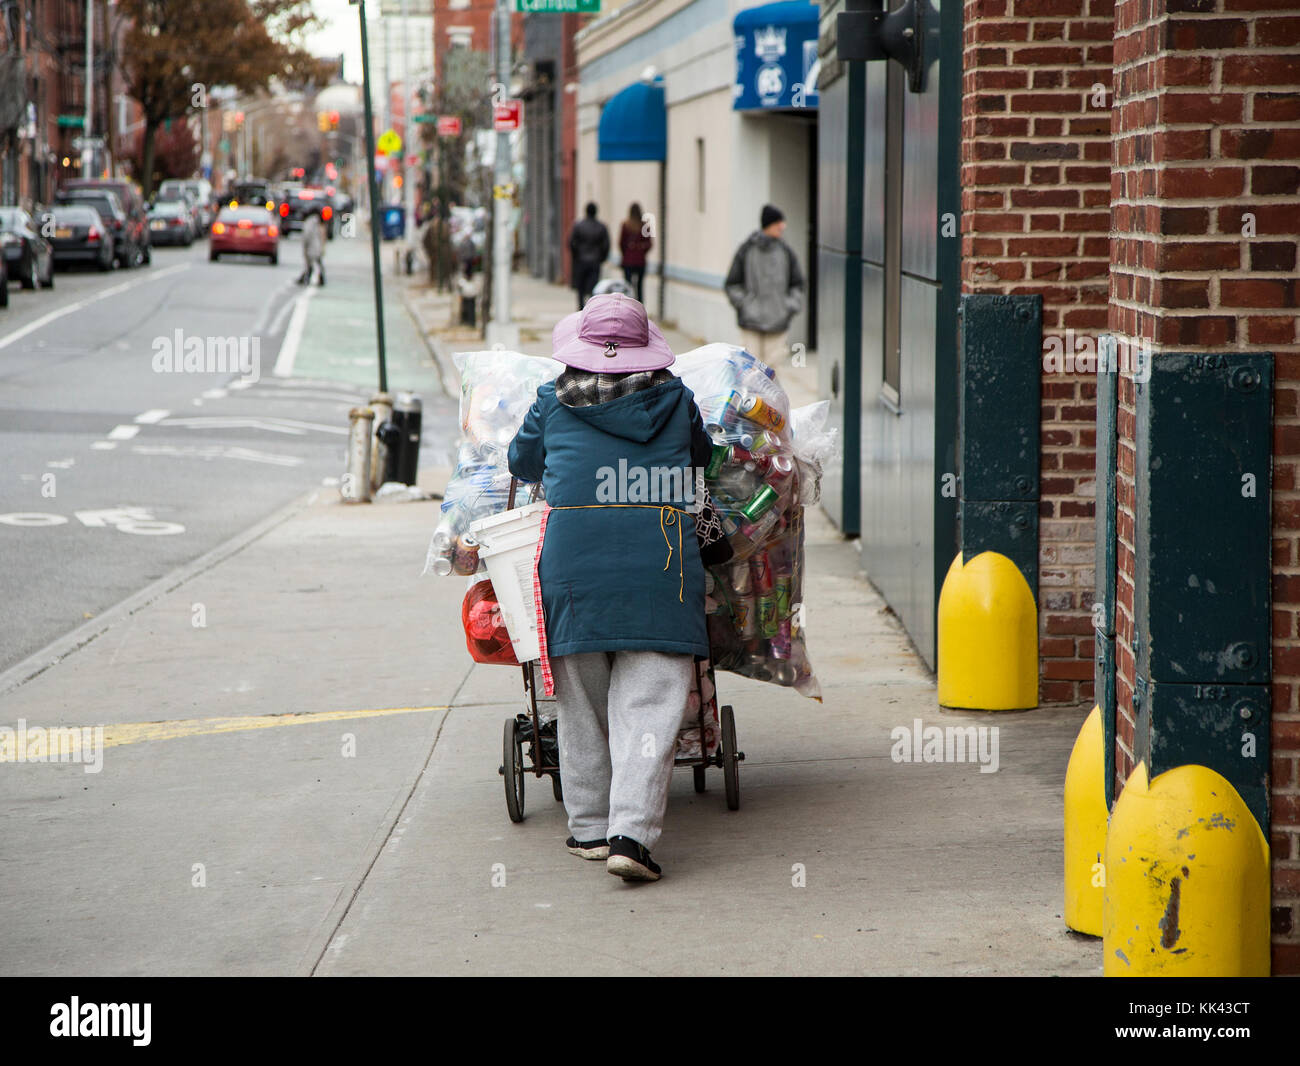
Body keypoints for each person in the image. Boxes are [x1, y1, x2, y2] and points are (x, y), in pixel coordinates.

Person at [508, 293, 713, 882]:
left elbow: (522, 462)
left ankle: (590, 827)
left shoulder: (551, 399)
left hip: (574, 570)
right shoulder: (676, 398)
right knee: (647, 707)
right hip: (662, 564)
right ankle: (632, 836)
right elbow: (702, 460)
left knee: (580, 706)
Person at [724, 204, 805, 367]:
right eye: (779, 222)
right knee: (750, 372)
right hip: (751, 323)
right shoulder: (746, 250)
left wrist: (788, 306)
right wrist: (745, 304)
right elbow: (732, 283)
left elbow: (798, 284)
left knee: (771, 375)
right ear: (769, 224)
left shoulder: (786, 251)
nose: (783, 226)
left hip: (778, 323)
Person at [568, 202, 610, 310]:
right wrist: (601, 258)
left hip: (581, 260)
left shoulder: (578, 226)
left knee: (581, 287)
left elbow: (571, 242)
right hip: (595, 261)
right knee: (593, 287)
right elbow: (606, 245)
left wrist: (576, 255)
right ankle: (591, 309)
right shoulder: (601, 227)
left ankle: (581, 308)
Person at [618, 202, 652, 305]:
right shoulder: (645, 226)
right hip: (640, 261)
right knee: (640, 286)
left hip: (628, 260)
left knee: (628, 286)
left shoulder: (625, 225)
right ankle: (640, 305)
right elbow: (649, 243)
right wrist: (641, 251)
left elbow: (621, 243)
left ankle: (627, 305)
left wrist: (627, 253)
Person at [298, 206, 325, 286]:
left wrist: (305, 246)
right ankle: (314, 278)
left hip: (311, 247)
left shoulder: (309, 222)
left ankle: (307, 278)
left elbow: (306, 235)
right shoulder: (317, 222)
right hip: (317, 246)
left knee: (310, 264)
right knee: (316, 263)